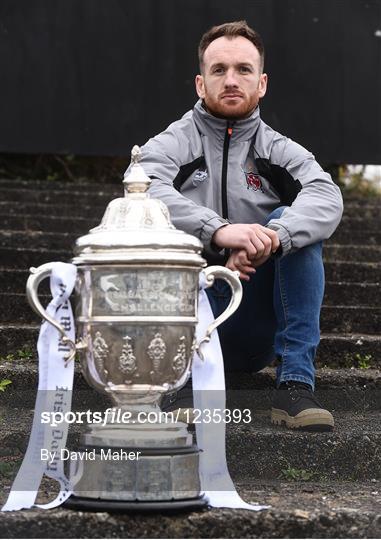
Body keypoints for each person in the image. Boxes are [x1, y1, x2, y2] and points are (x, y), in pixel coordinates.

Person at [131, 20, 343, 431]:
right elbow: (143, 185)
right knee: (156, 225)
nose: (231, 80)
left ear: (261, 83)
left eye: (243, 70)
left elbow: (325, 196)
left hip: (250, 325)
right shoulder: (173, 143)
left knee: (290, 223)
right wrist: (218, 232)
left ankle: (295, 385)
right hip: (186, 319)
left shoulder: (279, 149)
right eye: (219, 70)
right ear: (200, 83)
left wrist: (272, 240)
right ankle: (186, 382)